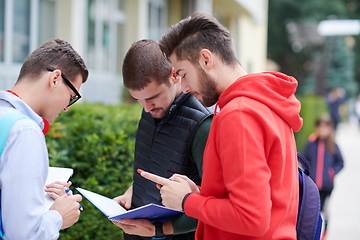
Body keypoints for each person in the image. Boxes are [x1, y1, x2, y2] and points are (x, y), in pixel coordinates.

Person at [139, 12, 303, 240]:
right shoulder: (265, 103)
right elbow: (260, 199)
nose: (184, 88)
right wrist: (199, 193)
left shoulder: (239, 114)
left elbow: (252, 218)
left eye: (184, 74)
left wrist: (187, 201)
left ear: (206, 59)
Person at [112, 39, 212, 240]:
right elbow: (154, 165)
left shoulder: (203, 125)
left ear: (174, 75)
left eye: (152, 98)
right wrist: (133, 191)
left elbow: (213, 206)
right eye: (138, 100)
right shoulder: (151, 110)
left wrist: (159, 230)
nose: (146, 108)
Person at [0, 38, 88, 239]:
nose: (67, 106)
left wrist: (35, 189)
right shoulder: (24, 131)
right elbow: (23, 235)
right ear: (55, 78)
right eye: (72, 96)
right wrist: (58, 216)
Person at [302, 113, 344, 240]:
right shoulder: (311, 143)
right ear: (316, 127)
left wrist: (332, 173)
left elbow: (341, 162)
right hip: (313, 185)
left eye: (325, 127)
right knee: (313, 209)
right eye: (320, 127)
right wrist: (307, 174)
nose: (323, 130)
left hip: (327, 185)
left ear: (330, 128)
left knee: (325, 209)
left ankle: (324, 232)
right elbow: (304, 159)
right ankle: (314, 231)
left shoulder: (333, 145)